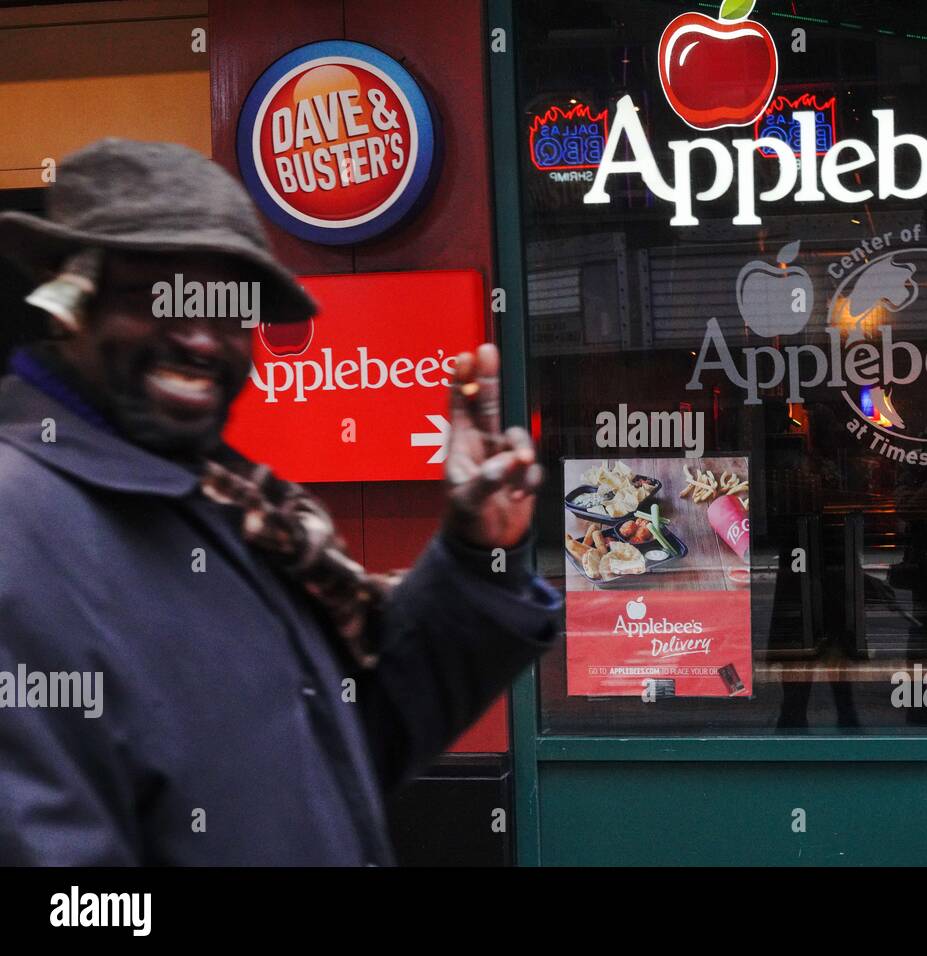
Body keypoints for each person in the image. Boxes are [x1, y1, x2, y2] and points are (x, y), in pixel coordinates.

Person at [0, 139, 560, 865]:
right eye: (158, 296)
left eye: (228, 309)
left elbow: (354, 741)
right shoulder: (23, 532)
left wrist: (474, 552)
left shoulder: (233, 509)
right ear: (71, 301)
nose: (201, 338)